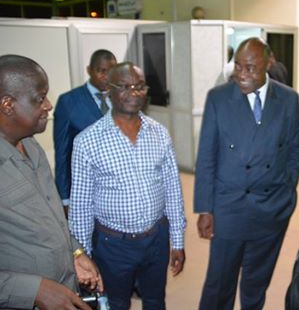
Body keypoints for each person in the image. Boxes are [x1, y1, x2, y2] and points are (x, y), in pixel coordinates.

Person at [194, 37, 299, 310]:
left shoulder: (288, 98)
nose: (241, 74)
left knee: (257, 281)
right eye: (238, 66)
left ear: (269, 63)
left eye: (251, 68)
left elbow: (293, 150)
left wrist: (288, 190)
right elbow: (207, 157)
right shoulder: (218, 97)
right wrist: (205, 208)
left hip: (272, 206)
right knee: (219, 282)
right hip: (229, 206)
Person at [68, 62, 186, 310]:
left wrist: (177, 241)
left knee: (155, 301)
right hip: (113, 246)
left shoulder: (160, 133)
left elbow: (173, 190)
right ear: (108, 91)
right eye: (124, 86)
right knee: (117, 303)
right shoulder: (87, 142)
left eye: (139, 86)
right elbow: (80, 207)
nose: (134, 92)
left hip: (156, 239)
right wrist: (84, 255)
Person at [0, 54, 103, 310]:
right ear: (7, 104)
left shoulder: (32, 147)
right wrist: (34, 290)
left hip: (65, 286)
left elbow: (51, 216)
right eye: (39, 98)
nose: (48, 105)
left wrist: (75, 252)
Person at [53, 49, 117, 208]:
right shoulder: (68, 101)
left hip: (119, 184)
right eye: (101, 71)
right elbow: (62, 153)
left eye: (111, 72)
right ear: (89, 70)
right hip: (87, 184)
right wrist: (64, 197)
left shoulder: (121, 97)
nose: (107, 76)